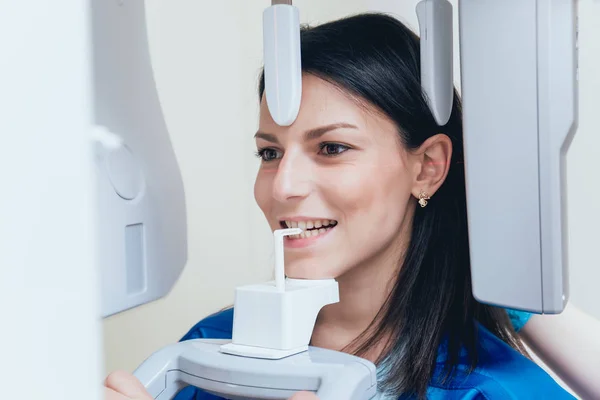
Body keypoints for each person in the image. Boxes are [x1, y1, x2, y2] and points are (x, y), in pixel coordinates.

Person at [105, 13, 587, 400]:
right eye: (270, 153)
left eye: (332, 148)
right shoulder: (202, 353)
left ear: (427, 168)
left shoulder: (493, 391)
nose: (283, 186)